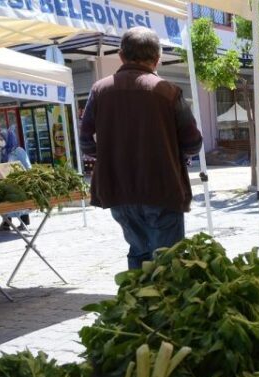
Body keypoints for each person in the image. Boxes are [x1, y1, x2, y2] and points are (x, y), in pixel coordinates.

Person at [80, 27, 203, 270]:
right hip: (162, 188)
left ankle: (139, 303)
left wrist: (110, 158)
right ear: (157, 59)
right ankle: (162, 307)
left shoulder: (99, 90)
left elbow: (85, 141)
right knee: (168, 261)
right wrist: (177, 156)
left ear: (121, 56)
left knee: (139, 251)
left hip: (118, 191)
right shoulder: (168, 92)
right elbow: (193, 142)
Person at [0, 128, 32, 231]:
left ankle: (24, 222)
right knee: (2, 200)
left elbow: (27, 167)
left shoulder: (19, 151)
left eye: (2, 138)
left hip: (18, 182)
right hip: (3, 182)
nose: (0, 141)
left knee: (20, 200)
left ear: (9, 139)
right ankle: (6, 222)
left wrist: (20, 175)